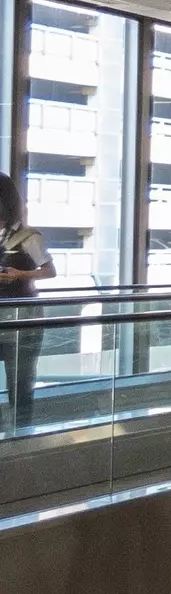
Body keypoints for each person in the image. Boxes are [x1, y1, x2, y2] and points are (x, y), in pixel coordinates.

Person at [0, 172, 54, 430]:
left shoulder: (28, 236)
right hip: (5, 315)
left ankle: (21, 433)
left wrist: (20, 274)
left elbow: (49, 270)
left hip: (24, 318)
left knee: (19, 381)